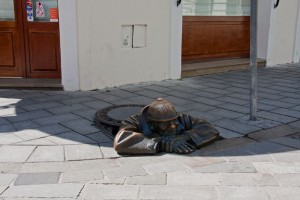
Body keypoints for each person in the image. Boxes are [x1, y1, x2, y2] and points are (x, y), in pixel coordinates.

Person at [114, 98, 220, 154]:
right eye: (166, 124)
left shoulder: (182, 119)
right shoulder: (134, 121)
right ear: (152, 123)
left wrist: (185, 137)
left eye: (174, 121)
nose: (173, 126)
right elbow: (121, 140)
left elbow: (209, 128)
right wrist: (161, 143)